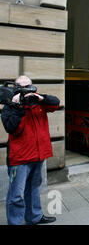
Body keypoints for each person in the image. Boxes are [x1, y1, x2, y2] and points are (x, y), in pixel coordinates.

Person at [1, 75, 60, 225]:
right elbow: (11, 128)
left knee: (34, 189)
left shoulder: (37, 103)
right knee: (16, 194)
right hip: (19, 159)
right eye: (22, 87)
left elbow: (55, 103)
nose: (25, 90)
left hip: (38, 156)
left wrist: (40, 98)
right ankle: (14, 222)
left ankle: (34, 217)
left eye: (28, 86)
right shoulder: (9, 107)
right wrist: (18, 108)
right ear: (15, 88)